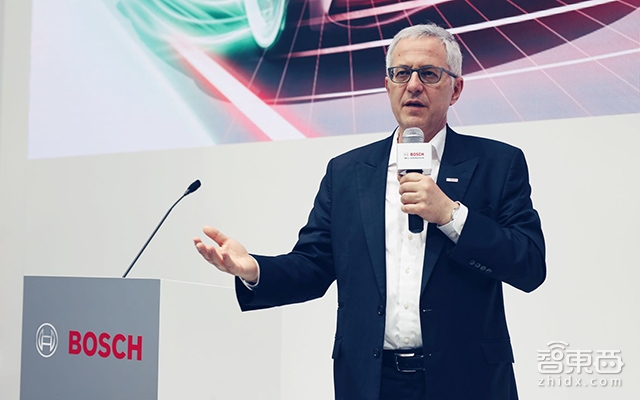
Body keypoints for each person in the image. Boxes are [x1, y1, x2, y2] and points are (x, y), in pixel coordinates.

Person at [194, 23, 545, 400]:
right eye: (401, 73)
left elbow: (528, 265)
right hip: (371, 382)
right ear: (387, 85)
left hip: (468, 381)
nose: (413, 85)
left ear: (456, 89)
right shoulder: (347, 172)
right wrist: (254, 270)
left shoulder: (497, 163)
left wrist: (450, 215)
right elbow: (313, 265)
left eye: (428, 74)